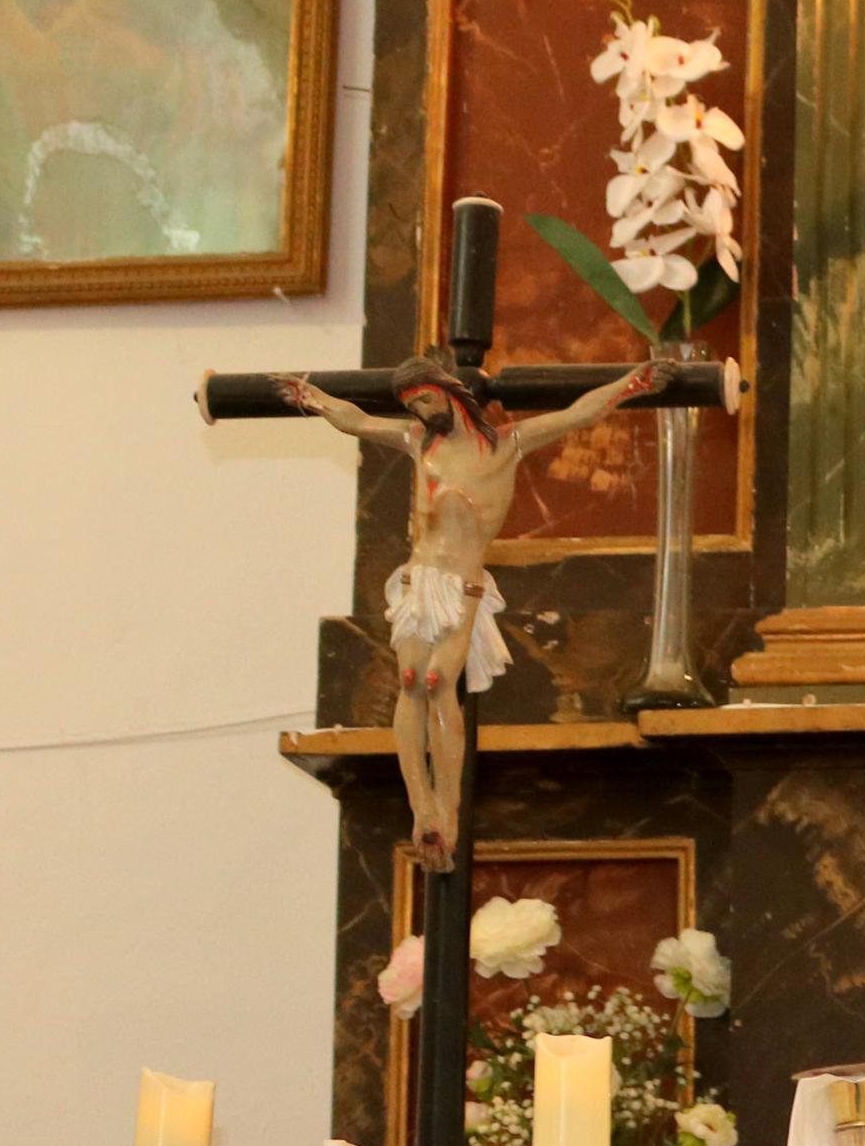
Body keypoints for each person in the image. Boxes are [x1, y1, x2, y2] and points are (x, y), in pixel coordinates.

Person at [281, 352, 666, 867]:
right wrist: (313, 397)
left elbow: (579, 414)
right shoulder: (418, 442)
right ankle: (422, 810)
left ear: (447, 392)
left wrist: (629, 384)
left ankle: (450, 810)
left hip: (461, 585)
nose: (418, 411)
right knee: (412, 679)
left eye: (423, 398)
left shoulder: (507, 445)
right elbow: (356, 420)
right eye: (410, 405)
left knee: (439, 682)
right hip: (419, 580)